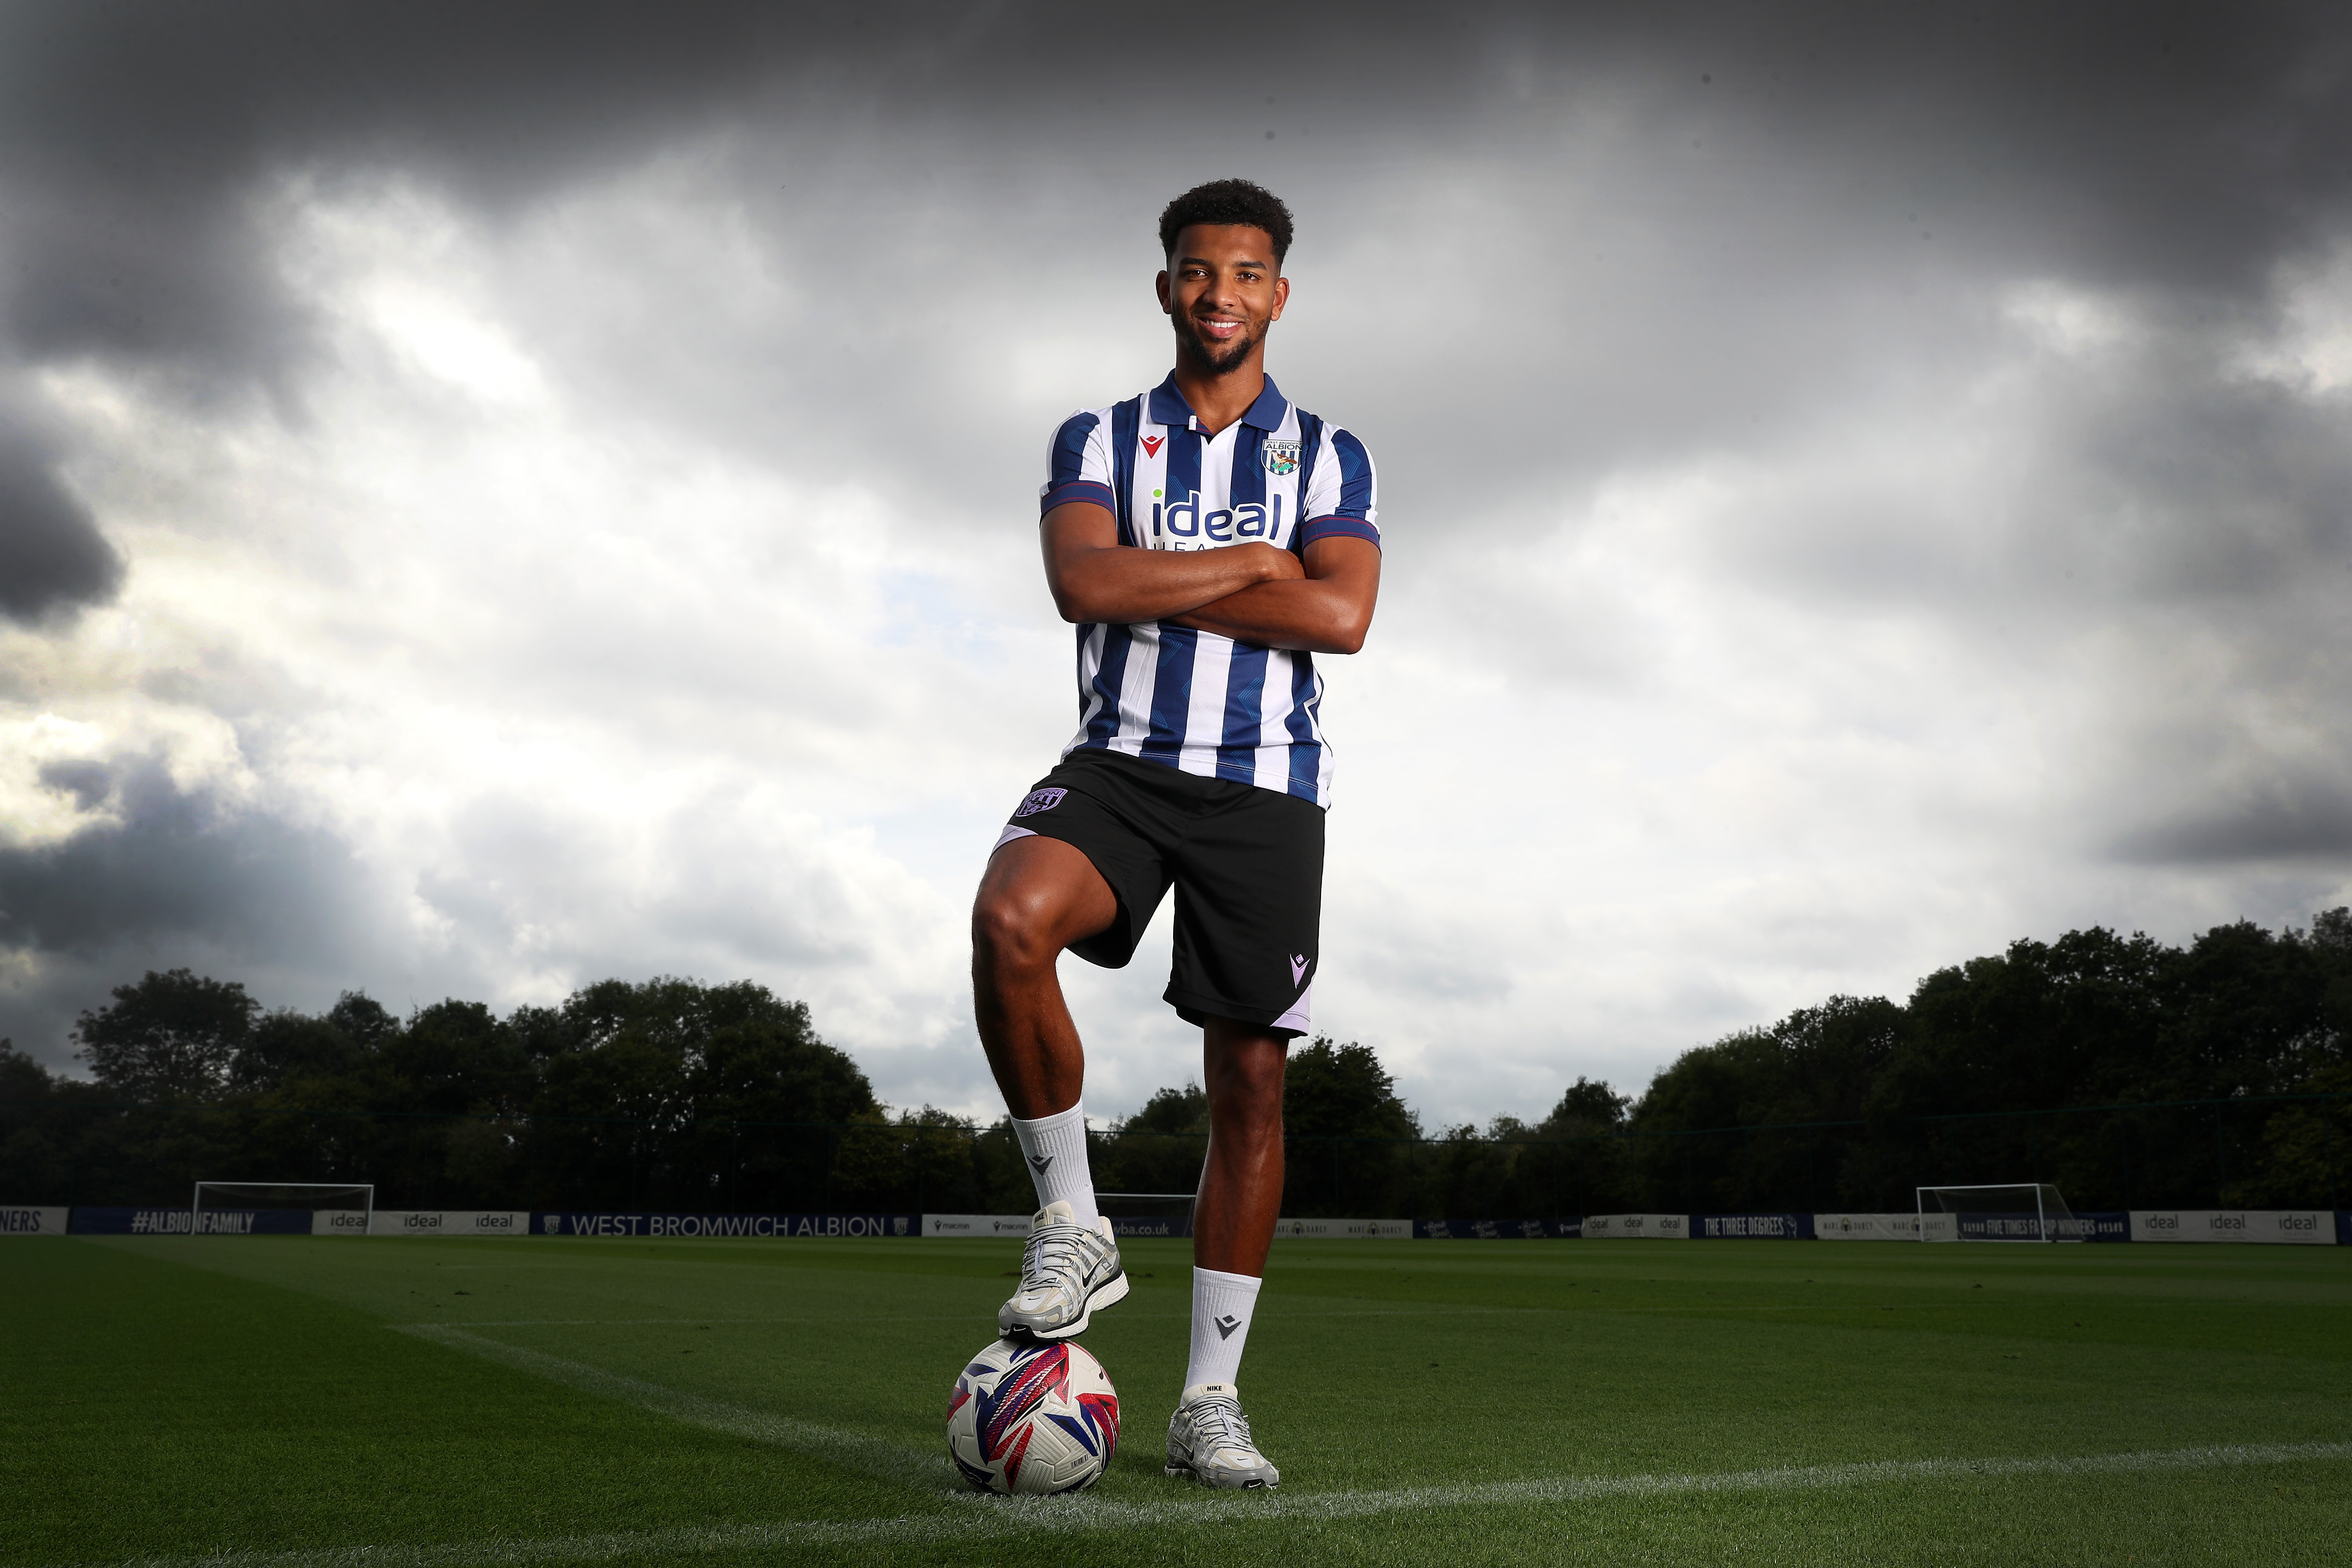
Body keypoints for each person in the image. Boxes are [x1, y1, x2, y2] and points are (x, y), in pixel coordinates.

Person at [970, 178, 1381, 1490]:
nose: (1221, 294)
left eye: (1247, 273)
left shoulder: (1329, 452)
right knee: (1009, 918)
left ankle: (1210, 1404)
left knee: (1250, 1082)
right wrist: (1261, 568)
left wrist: (1188, 584)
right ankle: (1075, 1225)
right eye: (1199, 272)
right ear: (1166, 287)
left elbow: (1344, 621)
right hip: (1122, 767)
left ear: (1278, 292)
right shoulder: (1099, 436)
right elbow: (1082, 583)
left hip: (1269, 787)